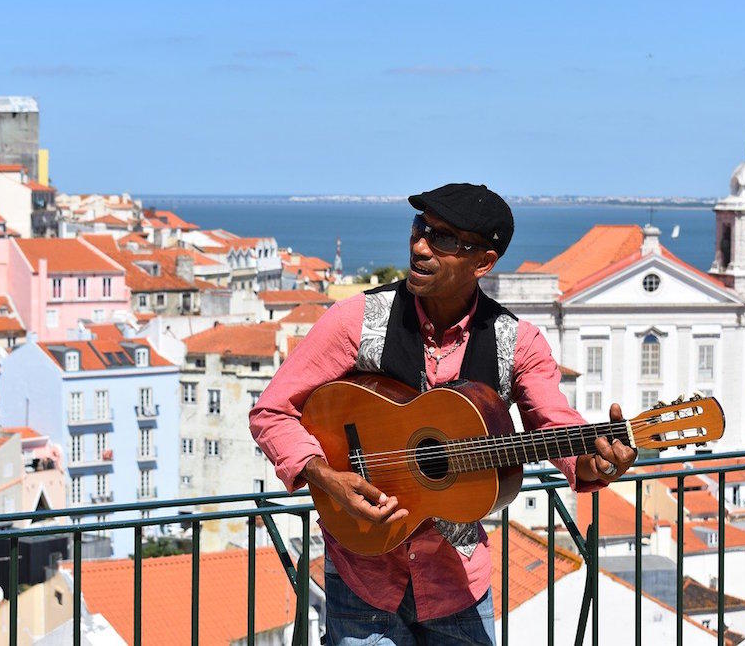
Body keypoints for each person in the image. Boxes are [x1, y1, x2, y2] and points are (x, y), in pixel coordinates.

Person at [250, 183, 638, 645]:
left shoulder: (517, 343)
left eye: (444, 239)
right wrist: (323, 475)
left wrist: (589, 462)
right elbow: (272, 411)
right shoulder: (357, 320)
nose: (420, 246)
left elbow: (554, 423)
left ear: (484, 263)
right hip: (363, 577)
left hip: (458, 584)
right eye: (421, 228)